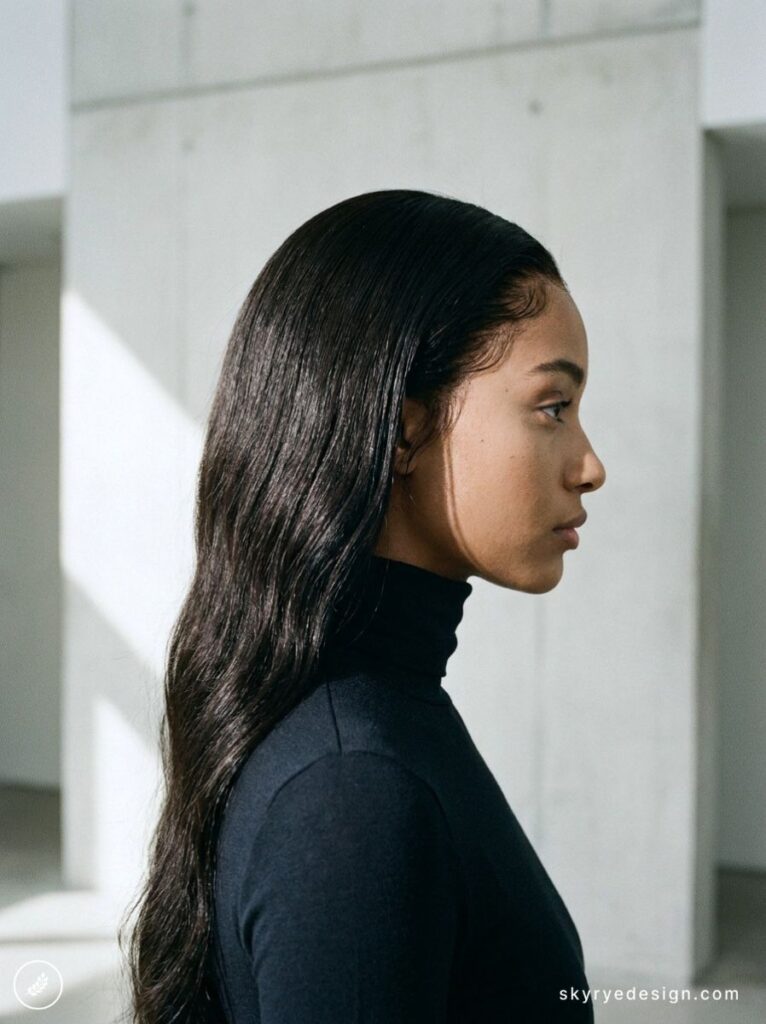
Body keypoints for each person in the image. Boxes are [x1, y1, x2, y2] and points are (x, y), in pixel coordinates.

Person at [120, 188, 607, 1023]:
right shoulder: (355, 795)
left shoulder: (367, 724)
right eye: (553, 407)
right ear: (405, 430)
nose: (590, 464)